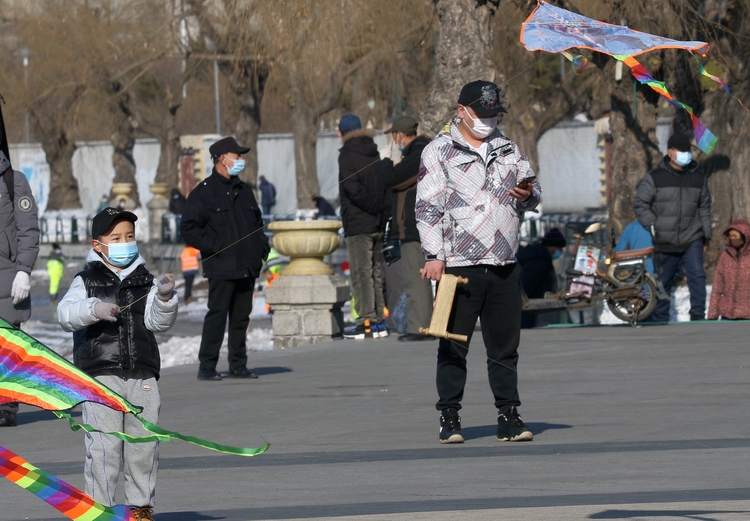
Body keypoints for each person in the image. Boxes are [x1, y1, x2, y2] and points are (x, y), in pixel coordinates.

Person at [416, 80, 542, 444]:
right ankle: (450, 416)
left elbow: (533, 193)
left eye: (493, 115)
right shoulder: (438, 151)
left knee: (504, 346)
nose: (489, 121)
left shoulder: (508, 148)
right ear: (462, 112)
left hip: (503, 261)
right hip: (456, 264)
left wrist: (528, 194)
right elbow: (427, 208)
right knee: (451, 342)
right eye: (482, 114)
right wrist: (433, 255)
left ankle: (509, 414)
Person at [56, 207, 178, 521]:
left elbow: (156, 322)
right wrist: (93, 308)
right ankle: (100, 512)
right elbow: (65, 315)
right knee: (104, 450)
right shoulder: (86, 280)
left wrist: (164, 300)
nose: (125, 242)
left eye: (129, 237)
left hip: (142, 377)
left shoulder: (145, 280)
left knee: (143, 448)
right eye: (116, 238)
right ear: (98, 245)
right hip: (100, 379)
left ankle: (141, 511)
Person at [180, 136, 269, 380]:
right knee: (217, 316)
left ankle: (238, 364)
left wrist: (261, 247)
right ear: (223, 158)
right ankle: (207, 366)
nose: (241, 160)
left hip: (247, 265)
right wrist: (215, 246)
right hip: (222, 266)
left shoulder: (245, 191)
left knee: (241, 317)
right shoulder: (204, 193)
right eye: (237, 156)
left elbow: (258, 224)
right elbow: (188, 228)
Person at [634, 133, 711, 321]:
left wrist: (706, 235)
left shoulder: (699, 177)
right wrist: (653, 225)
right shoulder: (655, 177)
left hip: (692, 236)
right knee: (663, 280)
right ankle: (660, 317)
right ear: (670, 152)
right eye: (681, 151)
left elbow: (704, 207)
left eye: (688, 151)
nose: (686, 154)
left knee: (697, 275)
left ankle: (698, 314)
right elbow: (640, 204)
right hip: (664, 238)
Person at [378, 115, 435, 342]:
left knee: (415, 278)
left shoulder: (419, 153)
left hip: (415, 226)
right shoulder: (417, 152)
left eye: (394, 136)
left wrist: (386, 161)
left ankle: (419, 327)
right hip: (415, 225)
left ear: (399, 134)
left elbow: (392, 179)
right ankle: (419, 324)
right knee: (414, 276)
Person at [337, 114, 390, 339]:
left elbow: (353, 189)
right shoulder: (373, 150)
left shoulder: (347, 155)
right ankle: (378, 321)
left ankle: (366, 321)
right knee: (375, 273)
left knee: (361, 274)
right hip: (377, 222)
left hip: (359, 224)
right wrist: (380, 211)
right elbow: (383, 184)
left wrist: (372, 207)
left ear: (342, 133)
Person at [0, 148, 40, 428]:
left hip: (7, 277)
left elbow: (28, 229)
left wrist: (24, 271)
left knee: (8, 349)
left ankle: (6, 407)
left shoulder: (13, 181)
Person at [517, 228, 566, 329]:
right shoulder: (539, 262)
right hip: (532, 312)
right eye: (559, 249)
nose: (560, 253)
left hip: (533, 310)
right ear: (552, 248)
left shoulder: (539, 258)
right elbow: (527, 284)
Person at [708, 220, 750, 320]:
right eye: (730, 236)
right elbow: (717, 287)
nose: (732, 238)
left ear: (745, 236)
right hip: (727, 315)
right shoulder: (725, 256)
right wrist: (712, 315)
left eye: (735, 236)